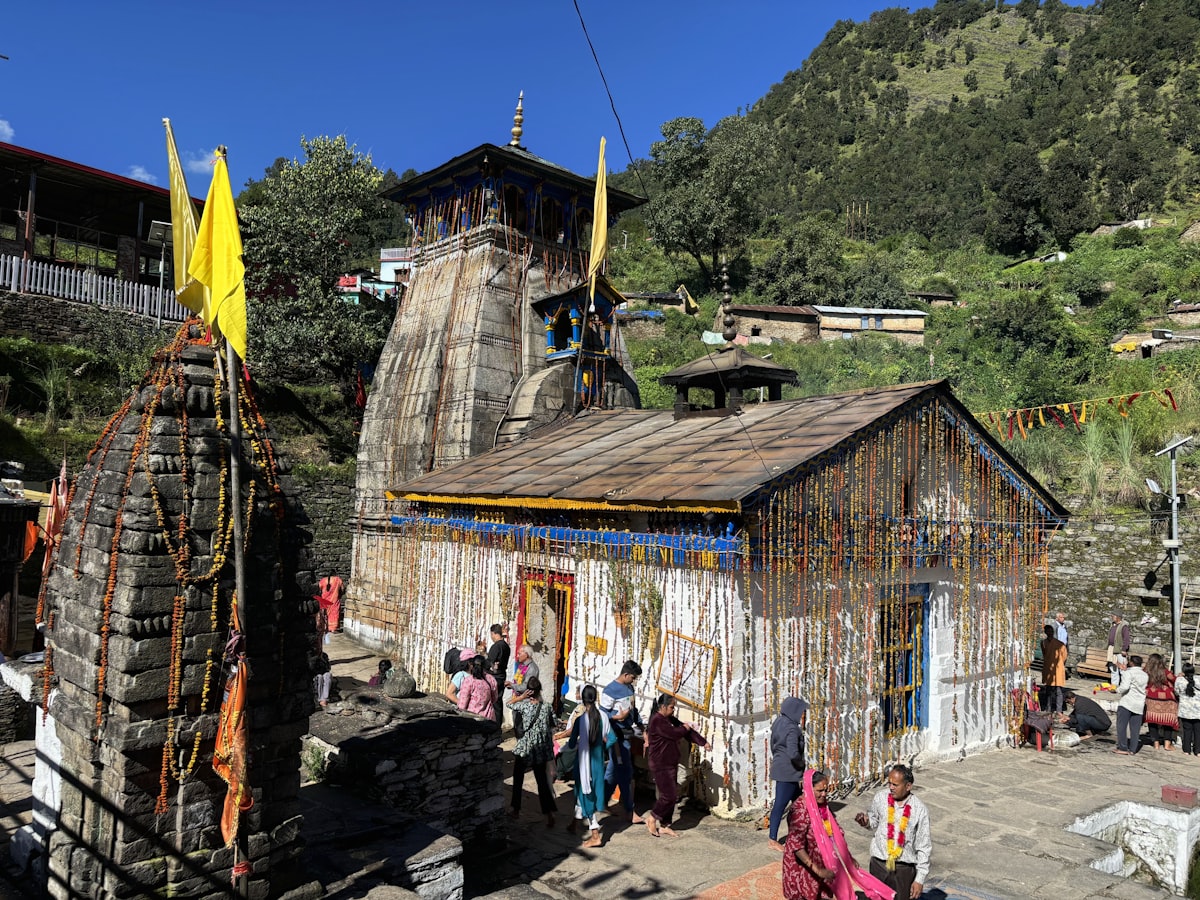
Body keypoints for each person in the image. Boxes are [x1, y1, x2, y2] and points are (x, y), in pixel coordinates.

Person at [785, 769, 893, 900]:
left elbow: (835, 834)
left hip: (822, 863)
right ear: (808, 788)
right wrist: (817, 870)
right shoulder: (799, 811)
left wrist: (848, 858)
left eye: (826, 790)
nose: (824, 795)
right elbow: (796, 846)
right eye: (820, 791)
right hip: (805, 867)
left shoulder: (822, 806)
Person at [854, 764, 932, 900]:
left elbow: (923, 846)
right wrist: (865, 822)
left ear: (908, 786)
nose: (891, 787)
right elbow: (874, 822)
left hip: (903, 869)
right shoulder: (880, 798)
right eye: (889, 783)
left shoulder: (919, 809)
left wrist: (919, 879)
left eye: (895, 785)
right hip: (878, 864)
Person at [554, 684, 615, 848]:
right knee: (582, 793)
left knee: (585, 795)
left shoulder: (581, 719)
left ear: (582, 697)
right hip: (598, 762)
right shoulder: (603, 716)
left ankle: (595, 834)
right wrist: (603, 745)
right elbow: (612, 739)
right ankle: (574, 823)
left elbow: (572, 743)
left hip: (584, 763)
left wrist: (561, 748)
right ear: (595, 697)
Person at [644, 693, 708, 838]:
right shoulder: (657, 721)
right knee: (669, 795)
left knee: (670, 794)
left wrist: (703, 742)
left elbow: (686, 731)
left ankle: (665, 825)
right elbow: (675, 733)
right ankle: (653, 817)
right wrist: (685, 728)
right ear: (663, 707)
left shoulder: (668, 719)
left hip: (670, 763)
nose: (674, 710)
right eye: (672, 707)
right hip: (660, 764)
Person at [507, 676, 557, 827]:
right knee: (541, 781)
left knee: (518, 778)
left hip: (525, 746)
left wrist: (520, 697)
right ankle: (549, 814)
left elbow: (509, 704)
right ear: (540, 690)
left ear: (529, 692)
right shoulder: (547, 707)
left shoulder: (524, 706)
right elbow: (553, 723)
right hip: (540, 748)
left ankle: (515, 810)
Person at [600, 660, 645, 824]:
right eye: (632, 677)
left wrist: (641, 726)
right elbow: (602, 716)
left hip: (627, 733)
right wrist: (617, 717)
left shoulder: (629, 688)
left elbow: (633, 710)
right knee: (626, 773)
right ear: (625, 675)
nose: (633, 681)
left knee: (613, 771)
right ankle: (629, 810)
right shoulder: (610, 690)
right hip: (616, 736)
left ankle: (602, 802)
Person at [768, 696, 810, 851]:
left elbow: (774, 745)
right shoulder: (793, 728)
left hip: (780, 767)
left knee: (800, 802)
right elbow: (793, 753)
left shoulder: (778, 722)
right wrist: (801, 765)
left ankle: (801, 833)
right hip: (789, 772)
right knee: (781, 804)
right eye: (801, 712)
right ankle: (773, 839)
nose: (802, 715)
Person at [1144, 652, 1179, 751]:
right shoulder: (1165, 671)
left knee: (1152, 720)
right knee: (1168, 721)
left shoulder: (1146, 671)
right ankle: (1167, 744)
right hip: (1168, 699)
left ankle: (1156, 743)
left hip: (1151, 697)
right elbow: (1175, 680)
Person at [1114, 653, 1147, 755]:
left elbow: (1124, 687)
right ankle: (1133, 749)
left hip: (1127, 702)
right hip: (1139, 703)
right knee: (1135, 728)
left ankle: (1123, 747)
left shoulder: (1128, 673)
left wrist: (1116, 690)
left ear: (1131, 663)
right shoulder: (1145, 675)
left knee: (1121, 726)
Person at [456, 654, 498, 721]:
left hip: (472, 719)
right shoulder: (491, 679)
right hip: (489, 718)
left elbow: (462, 704)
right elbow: (494, 698)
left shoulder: (469, 681)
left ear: (471, 665)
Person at [1040, 624, 1067, 721]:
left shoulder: (1060, 644)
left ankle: (1059, 710)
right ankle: (1048, 709)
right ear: (1046, 632)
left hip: (1058, 668)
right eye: (1048, 631)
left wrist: (1059, 663)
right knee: (1048, 691)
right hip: (1048, 669)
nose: (1050, 632)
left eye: (1051, 631)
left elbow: (1064, 656)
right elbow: (1044, 654)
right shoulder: (1043, 643)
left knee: (1058, 691)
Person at [486, 624, 511, 724]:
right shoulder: (506, 646)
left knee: (494, 702)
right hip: (501, 675)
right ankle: (498, 725)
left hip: (494, 677)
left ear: (493, 633)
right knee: (498, 701)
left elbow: (489, 662)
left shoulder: (496, 646)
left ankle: (494, 725)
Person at [1176, 663, 1200, 755]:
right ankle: (1198, 751)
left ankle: (1186, 750)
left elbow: (1176, 692)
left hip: (1185, 709)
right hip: (1198, 709)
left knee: (1187, 730)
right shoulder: (1198, 679)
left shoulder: (1179, 680)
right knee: (1198, 731)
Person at [1107, 612, 1131, 680]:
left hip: (1120, 650)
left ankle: (1124, 686)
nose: (1112, 617)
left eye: (1113, 616)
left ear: (1118, 617)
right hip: (1112, 648)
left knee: (1122, 669)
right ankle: (1114, 686)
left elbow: (1126, 638)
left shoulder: (1124, 626)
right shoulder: (1113, 625)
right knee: (1113, 668)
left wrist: (1124, 649)